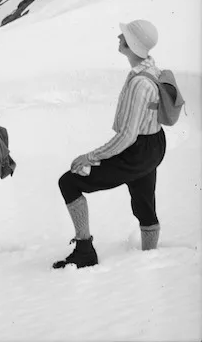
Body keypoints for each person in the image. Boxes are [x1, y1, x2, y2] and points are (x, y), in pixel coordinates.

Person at [53, 19, 166, 269]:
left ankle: (85, 251)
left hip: (136, 151)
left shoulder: (139, 83)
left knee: (69, 182)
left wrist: (91, 156)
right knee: (144, 200)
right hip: (153, 145)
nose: (118, 37)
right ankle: (150, 258)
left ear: (131, 44)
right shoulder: (150, 70)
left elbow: (127, 136)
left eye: (123, 36)